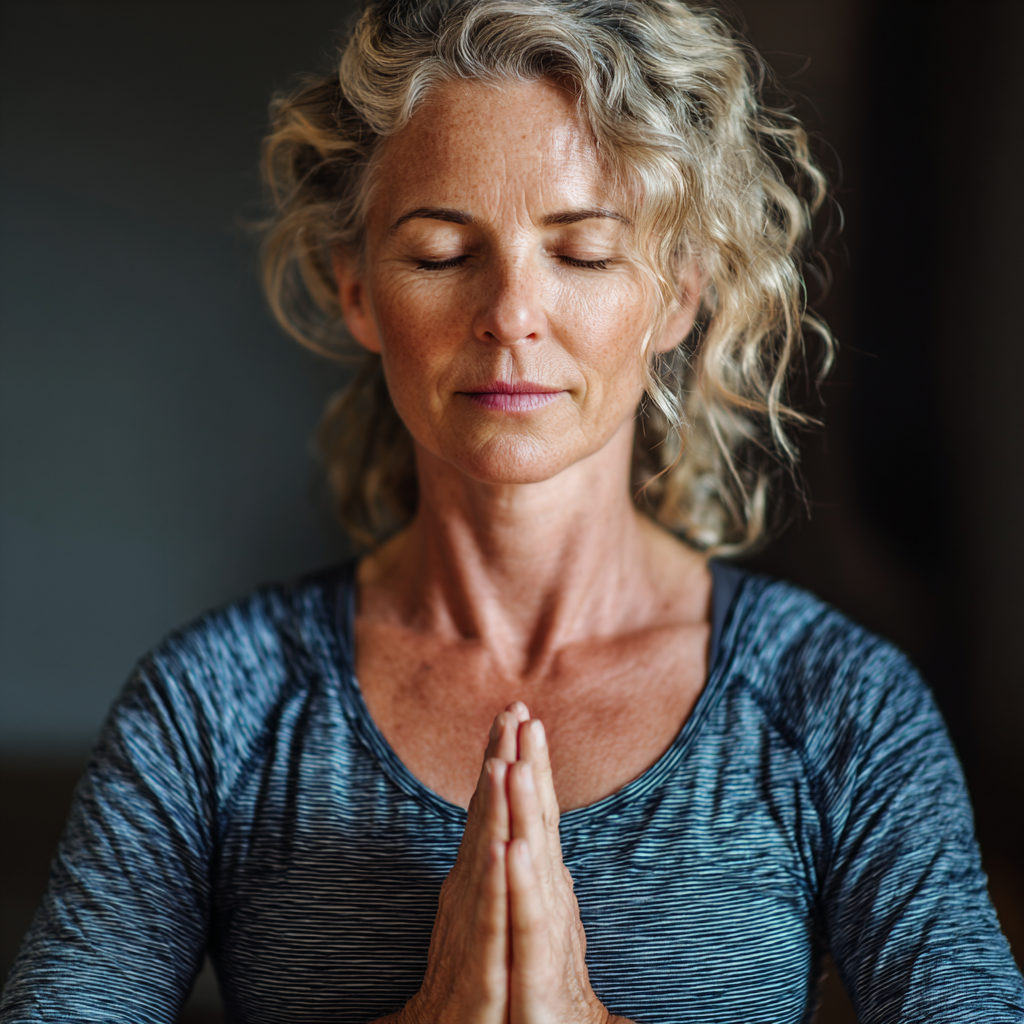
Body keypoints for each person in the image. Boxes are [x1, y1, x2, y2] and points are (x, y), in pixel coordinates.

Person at [3, 0, 1023, 1021]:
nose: (509, 316)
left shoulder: (836, 704)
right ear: (354, 286)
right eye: (443, 252)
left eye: (580, 252)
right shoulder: (210, 708)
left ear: (677, 293)